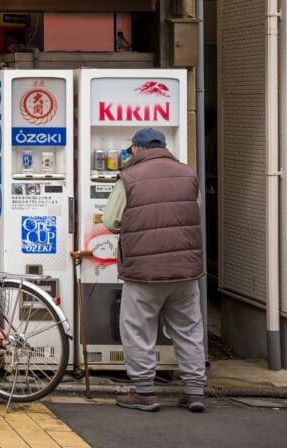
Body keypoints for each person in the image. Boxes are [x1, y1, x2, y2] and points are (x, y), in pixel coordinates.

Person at [103, 127, 206, 413]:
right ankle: (195, 391)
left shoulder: (129, 177)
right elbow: (187, 213)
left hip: (144, 270)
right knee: (188, 328)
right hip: (185, 270)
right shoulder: (188, 174)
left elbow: (111, 221)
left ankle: (145, 392)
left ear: (136, 150)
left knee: (138, 329)